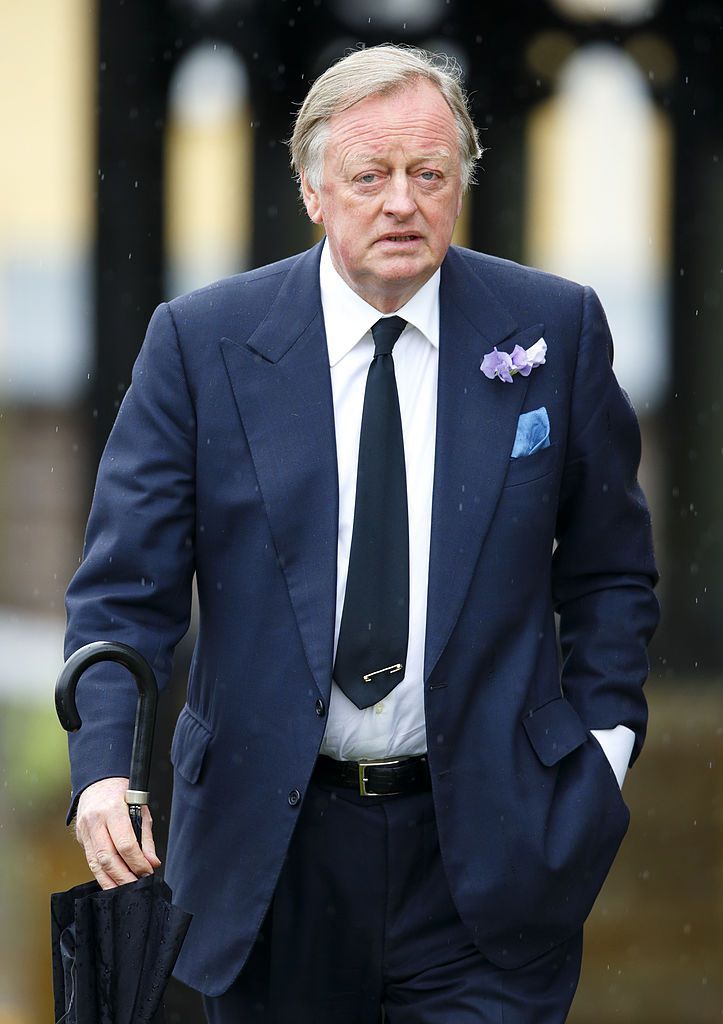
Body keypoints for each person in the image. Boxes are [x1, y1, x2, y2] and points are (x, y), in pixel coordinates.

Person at [63, 44, 659, 1023]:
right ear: (311, 187)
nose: (401, 202)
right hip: (271, 857)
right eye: (369, 176)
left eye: (429, 175)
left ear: (461, 181)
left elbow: (611, 574)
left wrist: (603, 752)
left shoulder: (555, 328)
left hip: (491, 848)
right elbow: (124, 591)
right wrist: (103, 772)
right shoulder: (201, 344)